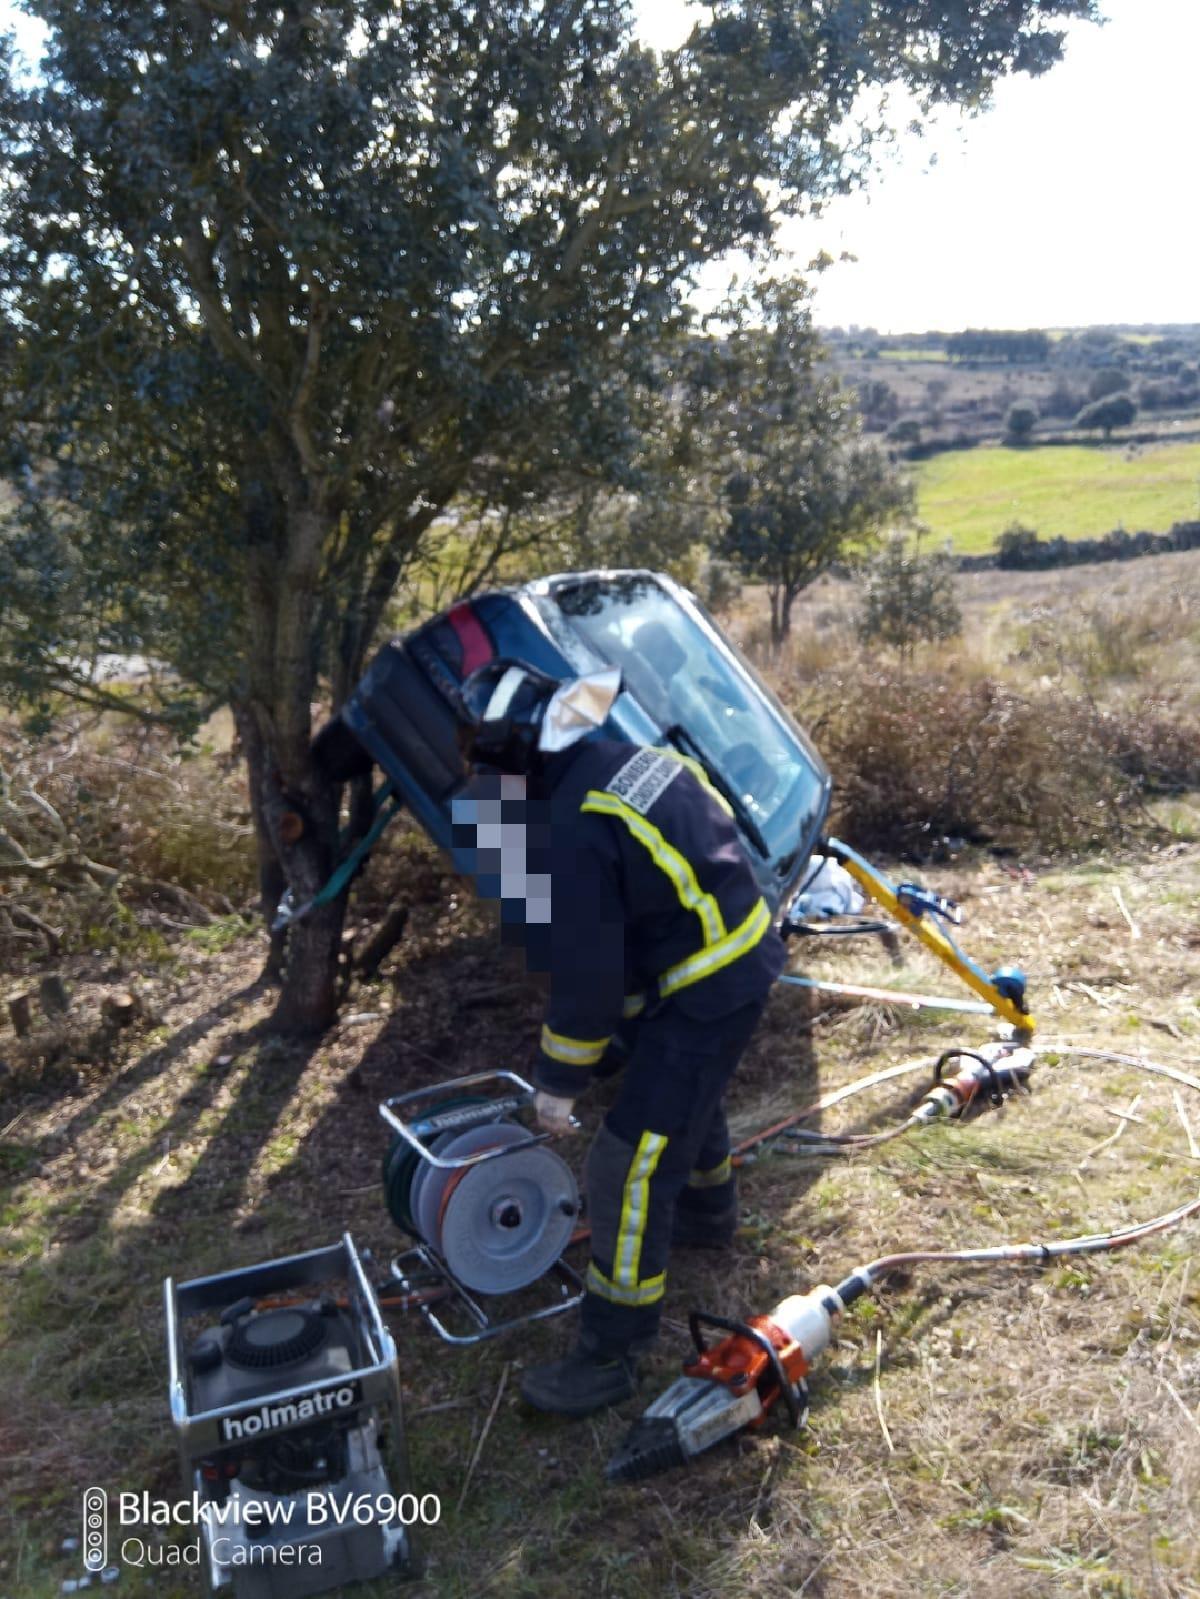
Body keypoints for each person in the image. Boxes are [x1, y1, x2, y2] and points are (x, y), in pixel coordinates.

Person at [458, 657, 785, 1417]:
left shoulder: (572, 830)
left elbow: (589, 980)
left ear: (517, 757)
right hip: (734, 949)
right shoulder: (626, 760)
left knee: (626, 1164)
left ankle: (611, 1348)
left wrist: (557, 1081)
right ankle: (708, 1214)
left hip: (711, 985)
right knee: (678, 1091)